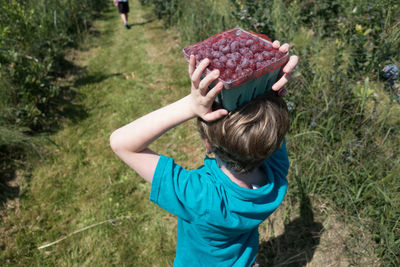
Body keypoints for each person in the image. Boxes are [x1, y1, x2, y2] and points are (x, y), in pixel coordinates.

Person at [110, 41, 298, 266]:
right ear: (270, 141)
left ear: (208, 144)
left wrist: (190, 105)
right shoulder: (275, 176)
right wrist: (268, 86)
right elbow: (270, 129)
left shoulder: (202, 197)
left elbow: (121, 142)